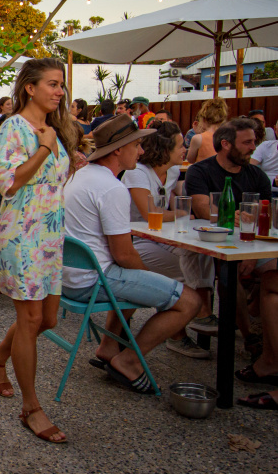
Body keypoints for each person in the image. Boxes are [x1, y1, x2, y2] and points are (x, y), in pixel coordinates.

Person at [62, 115, 201, 394]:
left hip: (67, 278)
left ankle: (109, 346)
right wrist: (151, 279)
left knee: (137, 277)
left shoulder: (79, 176)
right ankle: (129, 361)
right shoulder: (111, 187)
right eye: (136, 145)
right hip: (91, 281)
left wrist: (146, 278)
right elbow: (124, 255)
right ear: (118, 150)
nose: (142, 151)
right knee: (190, 301)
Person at [0, 58, 78, 444]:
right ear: (30, 88)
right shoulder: (14, 127)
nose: (59, 91)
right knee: (30, 319)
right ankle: (31, 408)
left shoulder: (54, 129)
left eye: (61, 85)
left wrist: (66, 158)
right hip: (21, 235)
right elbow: (8, 183)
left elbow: (52, 180)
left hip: (50, 236)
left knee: (48, 320)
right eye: (53, 84)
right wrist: (43, 149)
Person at [121, 121, 215, 356]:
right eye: (180, 145)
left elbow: (171, 200)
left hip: (161, 236)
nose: (185, 149)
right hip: (135, 240)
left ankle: (199, 316)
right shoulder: (137, 173)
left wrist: (180, 211)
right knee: (182, 268)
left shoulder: (172, 172)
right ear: (164, 149)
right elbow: (150, 213)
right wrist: (183, 214)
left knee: (201, 254)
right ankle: (182, 329)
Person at [183, 118, 274, 354]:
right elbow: (203, 210)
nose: (253, 147)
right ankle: (250, 336)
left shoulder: (257, 175)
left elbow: (265, 218)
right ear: (225, 144)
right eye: (247, 142)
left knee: (274, 274)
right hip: (216, 244)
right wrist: (233, 216)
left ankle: (258, 321)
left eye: (254, 142)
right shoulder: (200, 171)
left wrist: (253, 254)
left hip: (253, 244)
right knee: (229, 274)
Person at [186, 98, 227, 163]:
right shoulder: (227, 137)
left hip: (204, 169)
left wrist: (198, 134)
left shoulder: (197, 138)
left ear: (203, 119)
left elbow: (190, 159)